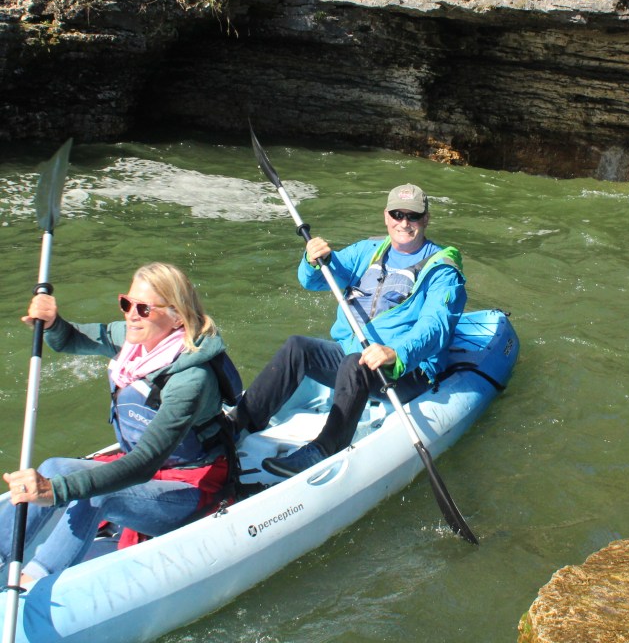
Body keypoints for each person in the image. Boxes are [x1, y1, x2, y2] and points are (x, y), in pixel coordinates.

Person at [1, 262, 234, 585]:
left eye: (143, 308)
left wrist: (57, 492)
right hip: (142, 469)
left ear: (177, 316)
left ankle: (30, 584)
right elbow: (71, 340)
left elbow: (142, 465)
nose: (131, 315)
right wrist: (53, 324)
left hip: (190, 487)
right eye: (127, 303)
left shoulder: (190, 381)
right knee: (54, 465)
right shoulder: (133, 339)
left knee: (98, 495)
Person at [234, 183, 467, 477]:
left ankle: (325, 449)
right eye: (397, 214)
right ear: (386, 216)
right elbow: (316, 280)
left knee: (353, 364)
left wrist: (396, 353)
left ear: (426, 219)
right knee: (298, 346)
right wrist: (312, 260)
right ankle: (239, 423)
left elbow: (436, 326)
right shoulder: (367, 251)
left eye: (413, 216)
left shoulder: (442, 270)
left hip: (407, 368)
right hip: (355, 354)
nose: (404, 223)